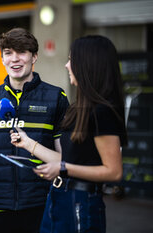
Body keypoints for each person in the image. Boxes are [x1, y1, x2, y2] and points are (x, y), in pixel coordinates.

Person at [10, 35, 127, 233]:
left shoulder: (103, 112)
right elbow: (68, 160)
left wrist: (63, 168)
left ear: (87, 64)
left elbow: (113, 171)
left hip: (82, 203)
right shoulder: (77, 110)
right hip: (59, 199)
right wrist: (28, 144)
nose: (66, 65)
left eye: (71, 60)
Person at [0, 28, 69, 233]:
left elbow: (64, 158)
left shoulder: (56, 97)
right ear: (2, 58)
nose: (15, 59)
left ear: (34, 57)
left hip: (41, 205)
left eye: (22, 52)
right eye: (8, 53)